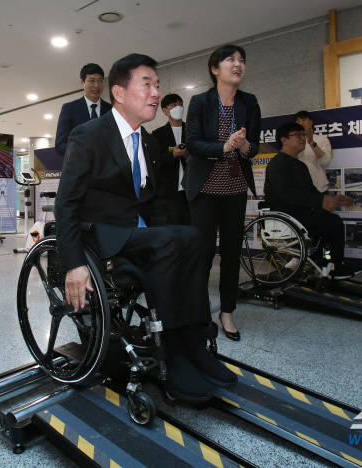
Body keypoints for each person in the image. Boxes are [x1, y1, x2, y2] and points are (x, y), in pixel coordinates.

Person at [55, 53, 236, 403]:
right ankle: (174, 353)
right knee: (173, 240)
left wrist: (176, 236)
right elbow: (67, 203)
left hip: (139, 234)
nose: (156, 92)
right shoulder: (88, 135)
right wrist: (73, 263)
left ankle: (193, 343)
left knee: (193, 237)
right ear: (119, 93)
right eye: (147, 84)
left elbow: (153, 202)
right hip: (103, 238)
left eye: (158, 84)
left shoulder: (150, 143)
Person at [185, 44, 260, 343]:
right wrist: (224, 147)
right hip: (204, 189)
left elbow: (253, 145)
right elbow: (192, 143)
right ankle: (198, 312)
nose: (238, 64)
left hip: (235, 188)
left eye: (241, 60)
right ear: (215, 69)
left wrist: (243, 147)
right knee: (202, 254)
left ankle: (226, 312)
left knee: (231, 253)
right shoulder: (200, 102)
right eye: (231, 60)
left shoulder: (249, 102)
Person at [264, 122, 362, 280]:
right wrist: (320, 201)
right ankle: (333, 267)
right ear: (284, 140)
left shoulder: (300, 165)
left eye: (303, 135)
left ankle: (325, 261)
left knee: (329, 219)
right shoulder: (277, 164)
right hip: (286, 214)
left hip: (299, 212)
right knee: (333, 222)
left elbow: (312, 191)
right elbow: (286, 195)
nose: (303, 138)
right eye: (298, 135)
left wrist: (331, 199)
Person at [55, 63, 113, 156]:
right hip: (81, 168)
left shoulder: (111, 110)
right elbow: (60, 146)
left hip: (107, 169)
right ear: (82, 82)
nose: (96, 85)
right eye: (91, 81)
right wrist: (83, 150)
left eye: (100, 81)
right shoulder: (70, 108)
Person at [151, 94, 190, 225]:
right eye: (173, 105)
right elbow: (155, 161)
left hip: (192, 189)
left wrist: (187, 154)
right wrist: (173, 155)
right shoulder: (158, 134)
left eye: (180, 104)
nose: (178, 107)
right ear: (165, 110)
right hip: (170, 190)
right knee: (174, 226)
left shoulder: (192, 131)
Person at [295, 111, 332, 193]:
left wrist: (312, 143)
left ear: (311, 122)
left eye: (304, 120)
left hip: (319, 190)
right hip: (299, 191)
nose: (301, 123)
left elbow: (325, 162)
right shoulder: (293, 142)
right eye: (298, 121)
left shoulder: (322, 140)